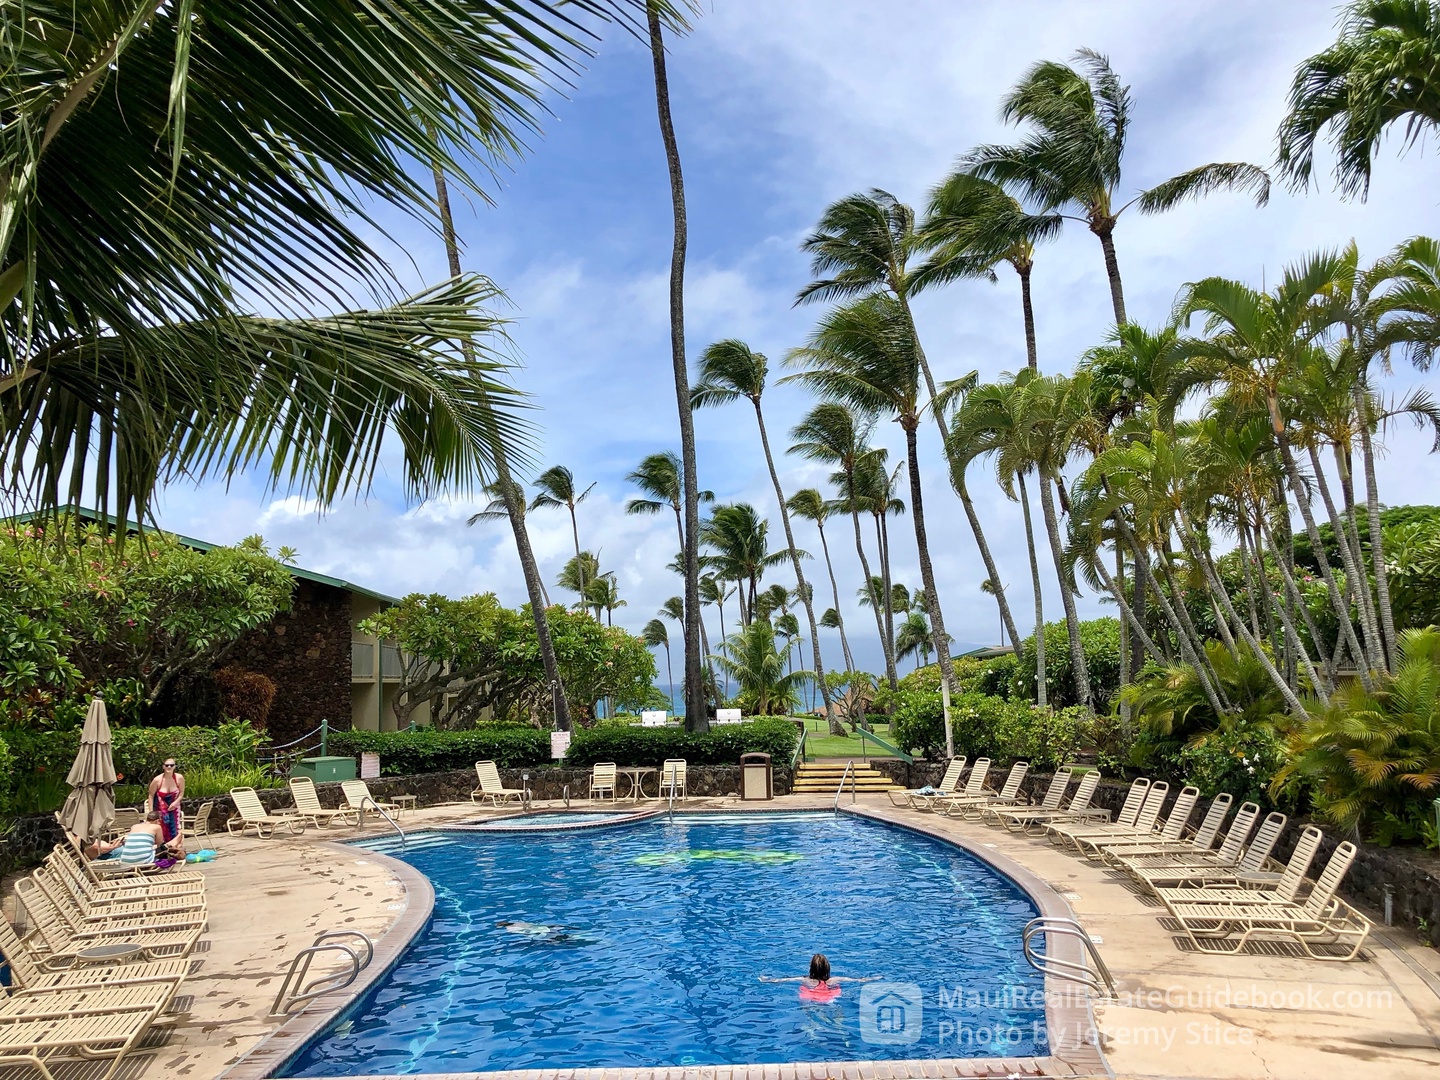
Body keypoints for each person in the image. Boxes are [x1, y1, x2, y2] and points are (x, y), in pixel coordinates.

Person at [760, 954, 877, 1002]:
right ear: (827, 968)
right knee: (837, 1013)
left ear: (811, 968)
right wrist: (875, 978)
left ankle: (811, 1030)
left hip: (810, 997)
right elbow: (859, 980)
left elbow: (780, 980)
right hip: (829, 998)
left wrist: (766, 979)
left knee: (809, 1013)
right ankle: (841, 1031)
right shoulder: (834, 980)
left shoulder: (805, 980)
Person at [89, 813, 183, 869]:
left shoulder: (135, 826)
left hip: (125, 860)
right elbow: (160, 845)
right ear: (157, 820)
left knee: (149, 848)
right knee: (164, 848)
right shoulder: (156, 827)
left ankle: (174, 842)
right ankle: (174, 842)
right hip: (141, 861)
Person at [147, 758, 186, 857]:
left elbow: (181, 793)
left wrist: (176, 802)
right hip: (160, 809)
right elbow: (151, 795)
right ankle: (161, 852)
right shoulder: (157, 780)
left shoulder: (179, 778)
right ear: (163, 766)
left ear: (175, 767)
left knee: (174, 830)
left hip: (174, 809)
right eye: (167, 765)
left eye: (171, 765)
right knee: (161, 831)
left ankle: (174, 852)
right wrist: (151, 812)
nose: (169, 767)